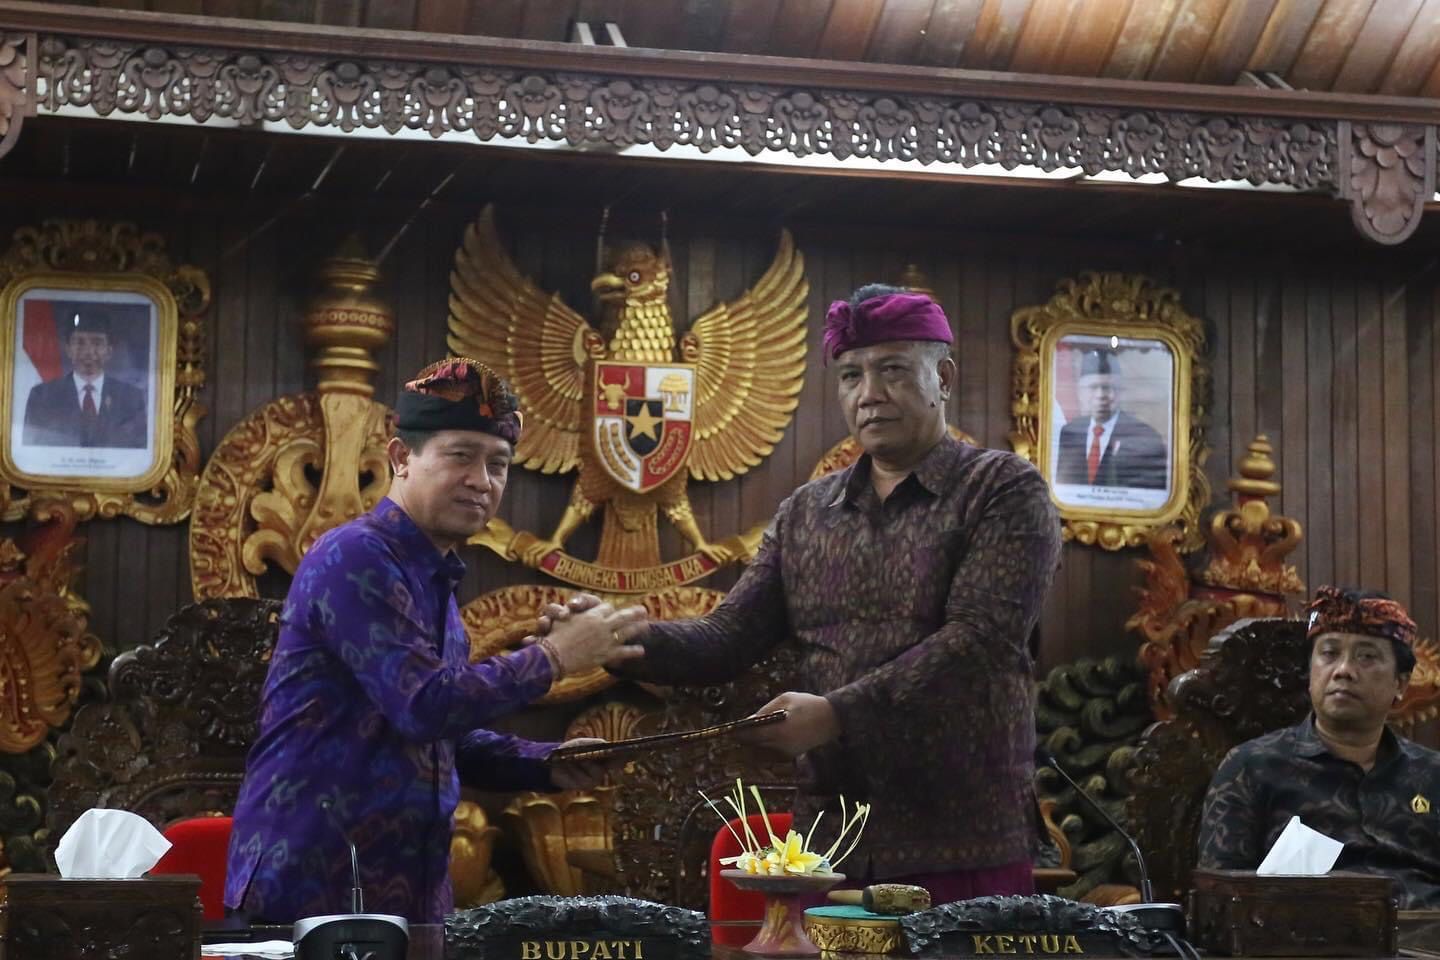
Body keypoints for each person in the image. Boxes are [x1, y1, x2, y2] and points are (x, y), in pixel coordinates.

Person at [614, 284, 1062, 903]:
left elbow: (978, 642)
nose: (869, 394)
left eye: (894, 371)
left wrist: (836, 714)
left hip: (964, 833)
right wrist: (616, 640)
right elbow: (725, 638)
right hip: (830, 840)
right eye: (851, 375)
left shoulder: (1002, 489)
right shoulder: (806, 511)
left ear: (944, 378)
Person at [224, 358, 647, 923]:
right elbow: (424, 705)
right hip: (313, 889)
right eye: (460, 456)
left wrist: (546, 764)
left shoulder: (434, 577)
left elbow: (436, 738)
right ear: (401, 458)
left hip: (409, 896)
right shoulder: (356, 556)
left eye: (498, 464)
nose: (482, 480)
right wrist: (554, 657)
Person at [1198, 586, 1440, 908]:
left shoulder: (1432, 774)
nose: (1343, 670)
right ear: (1310, 673)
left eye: (1366, 656)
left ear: (1400, 683)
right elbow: (1218, 901)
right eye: (1329, 653)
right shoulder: (1253, 767)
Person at [22, 311, 148, 449]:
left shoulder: (131, 398)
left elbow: (138, 449)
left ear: (109, 351)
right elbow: (33, 447)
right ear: (68, 349)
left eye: (97, 343)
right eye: (80, 342)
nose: (88, 351)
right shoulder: (42, 396)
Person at [1054, 349, 1167, 490]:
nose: (1101, 395)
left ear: (1120, 392)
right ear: (1080, 392)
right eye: (1093, 387)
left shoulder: (1145, 437)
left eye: (1108, 388)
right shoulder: (1069, 433)